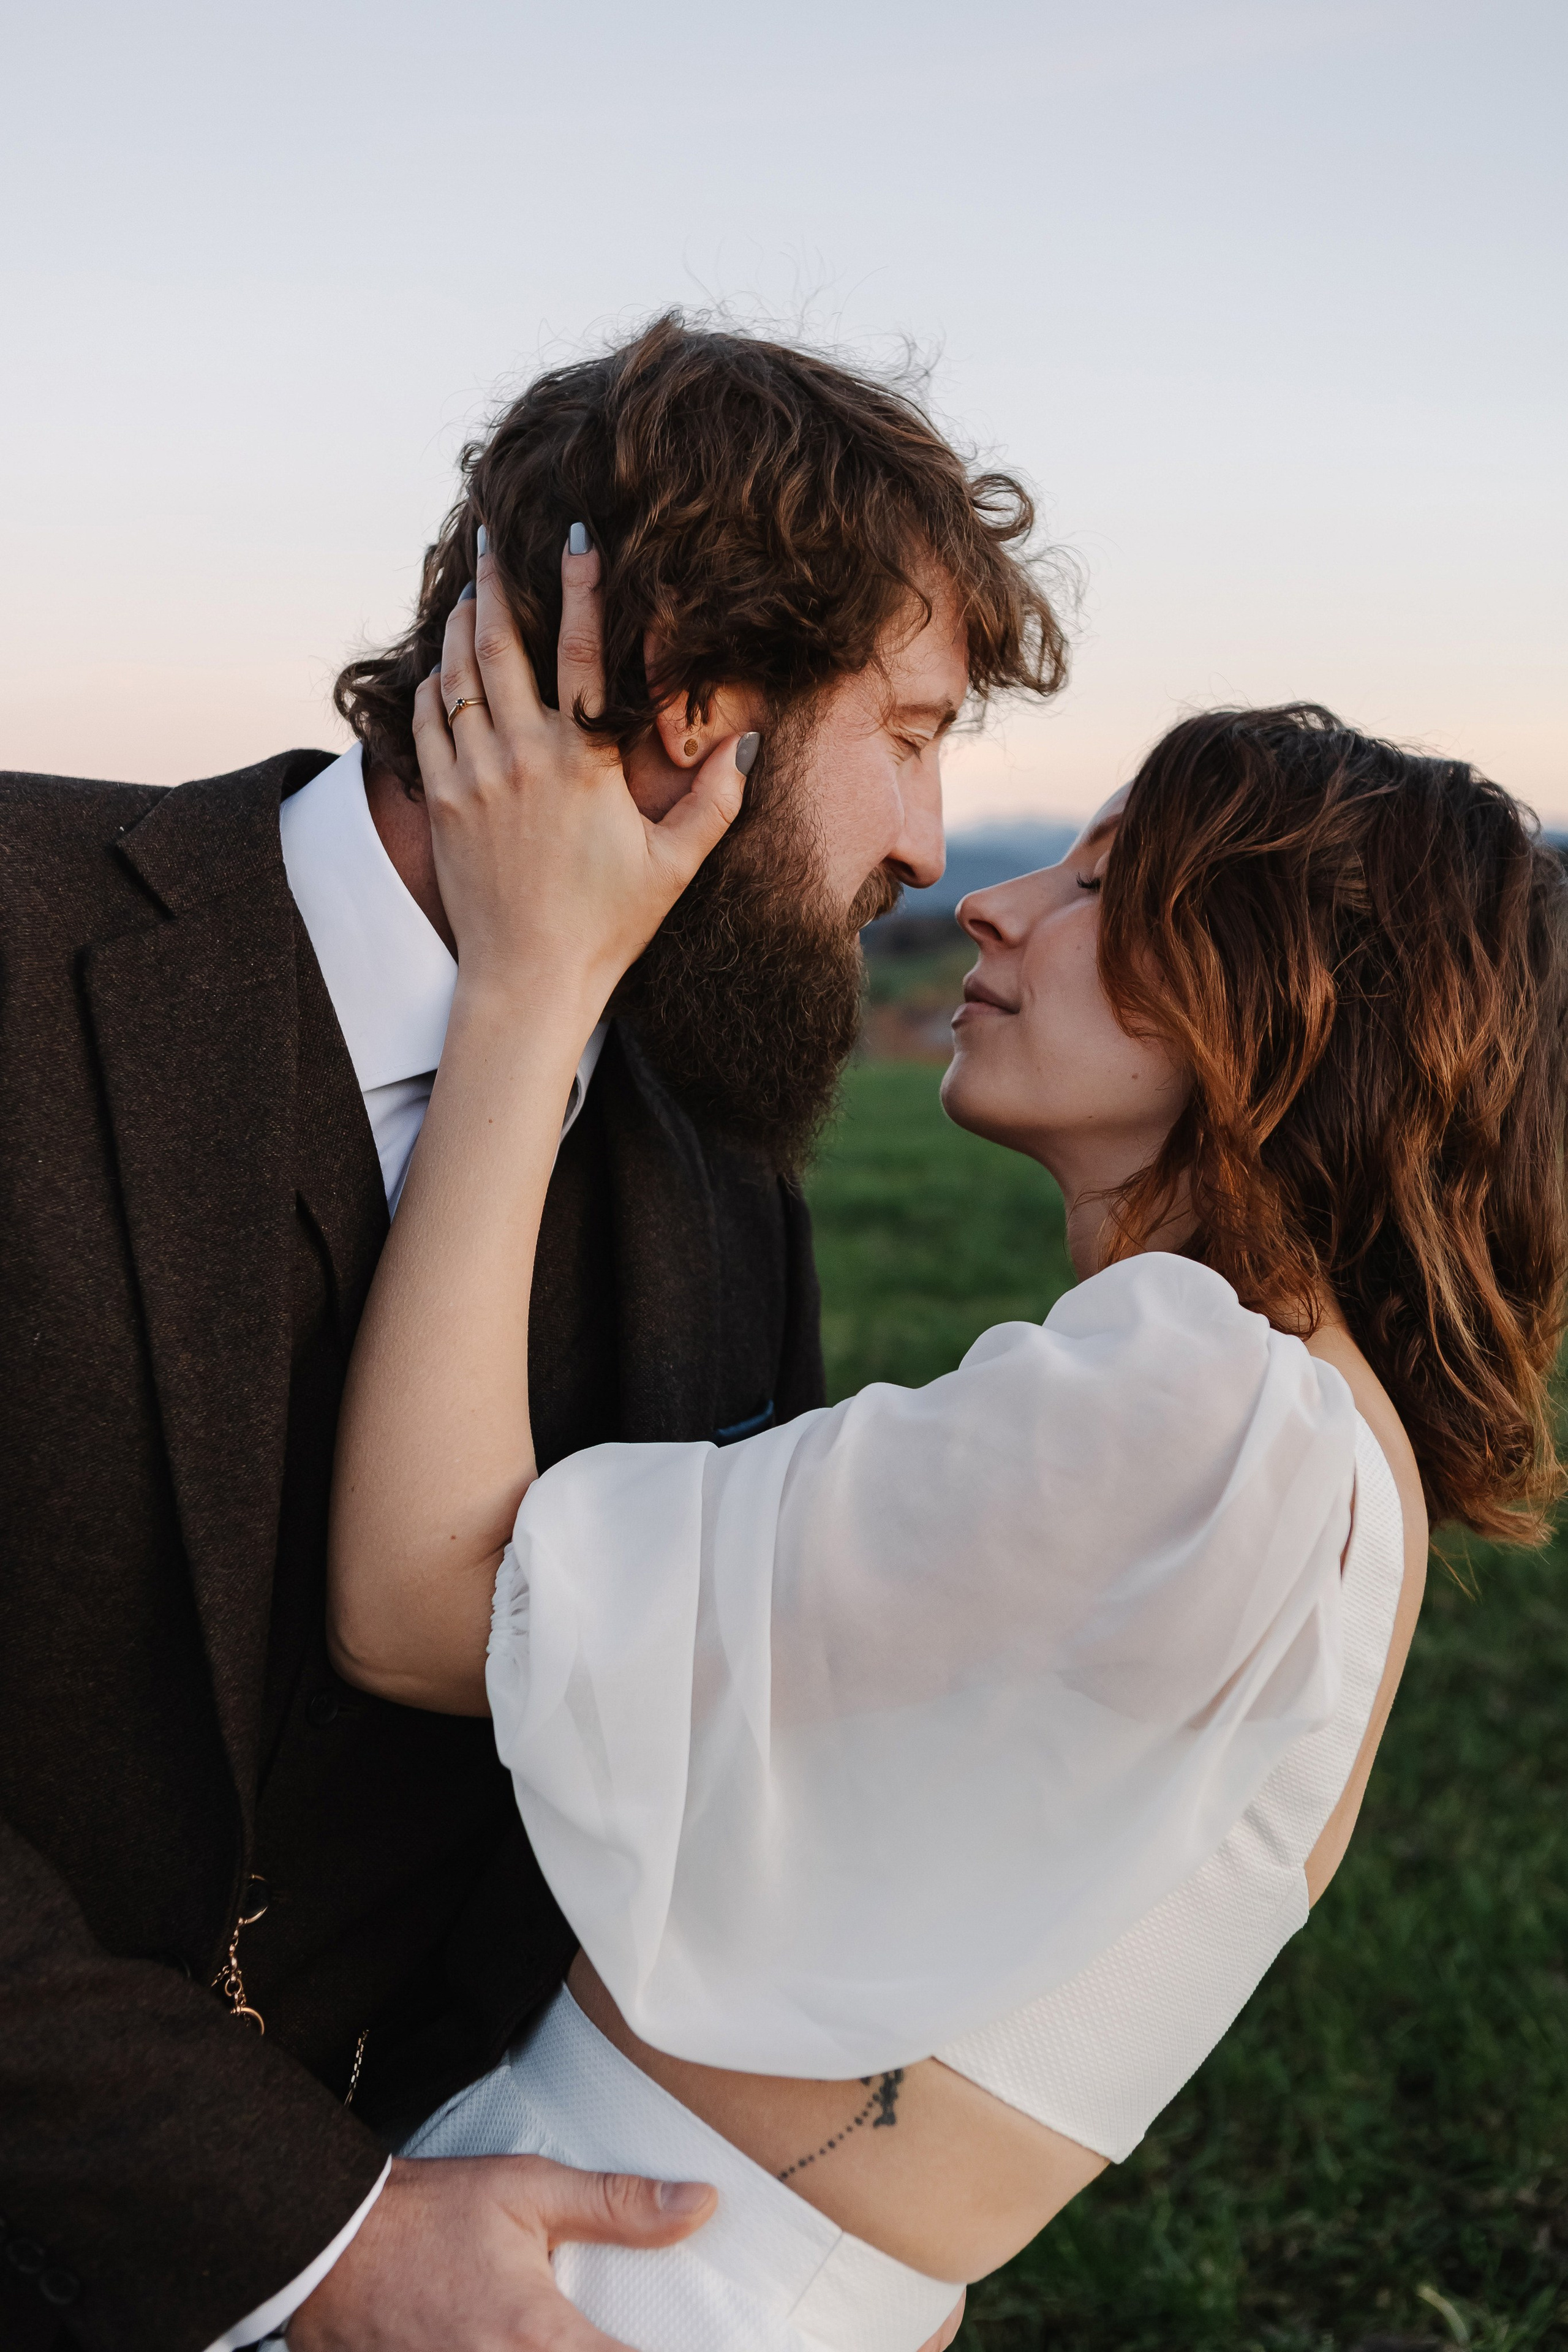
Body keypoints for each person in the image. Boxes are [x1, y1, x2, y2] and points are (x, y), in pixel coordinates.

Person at [322, 538, 1568, 2352]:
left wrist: (530, 988)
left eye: (1099, 882)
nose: (986, 902)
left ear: (1286, 997)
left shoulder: (1203, 1400)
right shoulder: (1306, 1437)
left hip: (595, 2277)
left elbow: (423, 1604)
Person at [0, 317, 1063, 2350]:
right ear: (694, 702)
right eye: (913, 734)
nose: (931, 846)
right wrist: (312, 2240)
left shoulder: (723, 1168)